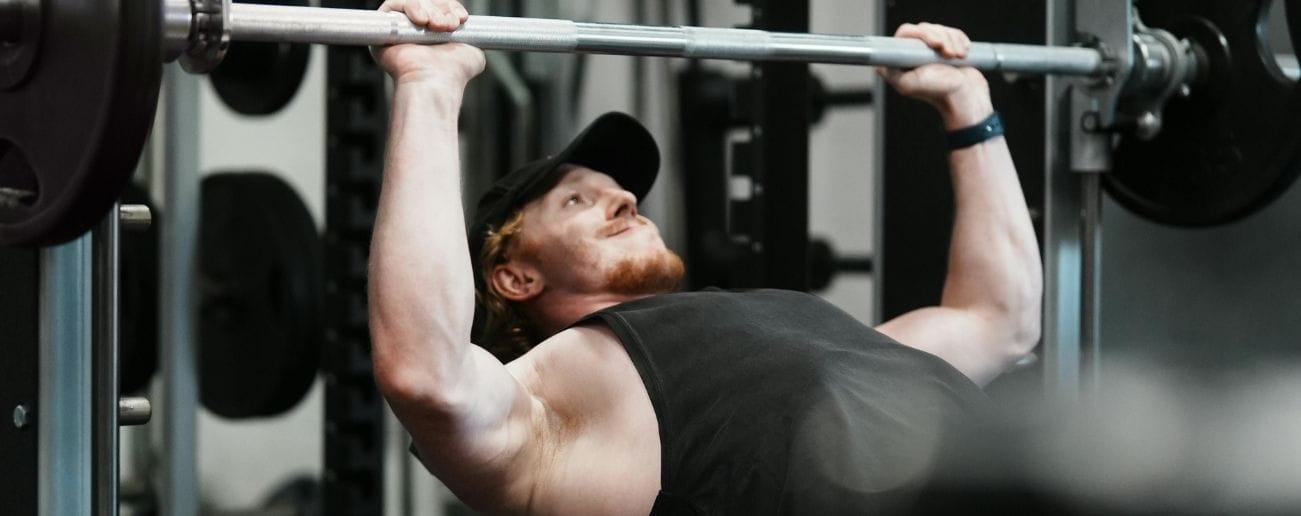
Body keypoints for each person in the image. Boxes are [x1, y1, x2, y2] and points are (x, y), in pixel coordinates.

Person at [368, 0, 1042, 513]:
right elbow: (426, 374)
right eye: (576, 201)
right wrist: (430, 84)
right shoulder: (548, 408)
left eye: (619, 191)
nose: (627, 199)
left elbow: (999, 319)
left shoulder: (803, 329)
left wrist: (967, 105)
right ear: (515, 275)